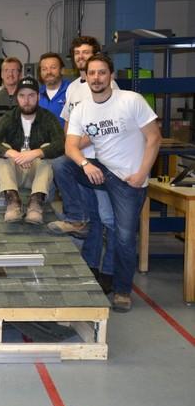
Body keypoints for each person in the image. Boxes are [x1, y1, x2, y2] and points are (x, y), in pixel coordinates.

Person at [48, 54, 160, 312]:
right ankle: (77, 218)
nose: (96, 78)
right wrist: (86, 164)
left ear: (111, 76)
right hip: (102, 171)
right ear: (85, 77)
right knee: (62, 164)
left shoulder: (131, 101)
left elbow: (154, 138)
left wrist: (142, 173)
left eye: (102, 73)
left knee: (123, 237)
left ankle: (122, 291)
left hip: (129, 180)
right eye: (92, 73)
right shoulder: (83, 108)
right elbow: (70, 146)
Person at [54, 35, 119, 293]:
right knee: (90, 219)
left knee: (108, 220)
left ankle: (110, 272)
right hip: (81, 165)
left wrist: (76, 144)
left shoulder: (110, 85)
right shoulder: (72, 88)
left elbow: (107, 125)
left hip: (105, 163)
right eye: (77, 53)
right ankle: (91, 267)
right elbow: (69, 125)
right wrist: (73, 149)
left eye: (86, 53)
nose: (81, 57)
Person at [0, 76, 65, 224]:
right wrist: (15, 155)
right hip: (15, 172)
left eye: (31, 95)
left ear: (38, 97)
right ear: (17, 98)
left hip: (37, 173)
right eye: (22, 95)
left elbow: (61, 144)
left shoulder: (48, 118)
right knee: (4, 151)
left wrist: (34, 154)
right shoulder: (9, 117)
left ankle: (36, 202)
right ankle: (13, 201)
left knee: (46, 149)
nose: (26, 100)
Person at [38, 52, 70, 124]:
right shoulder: (36, 95)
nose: (48, 72)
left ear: (62, 70)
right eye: (44, 69)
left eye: (53, 67)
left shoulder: (71, 90)